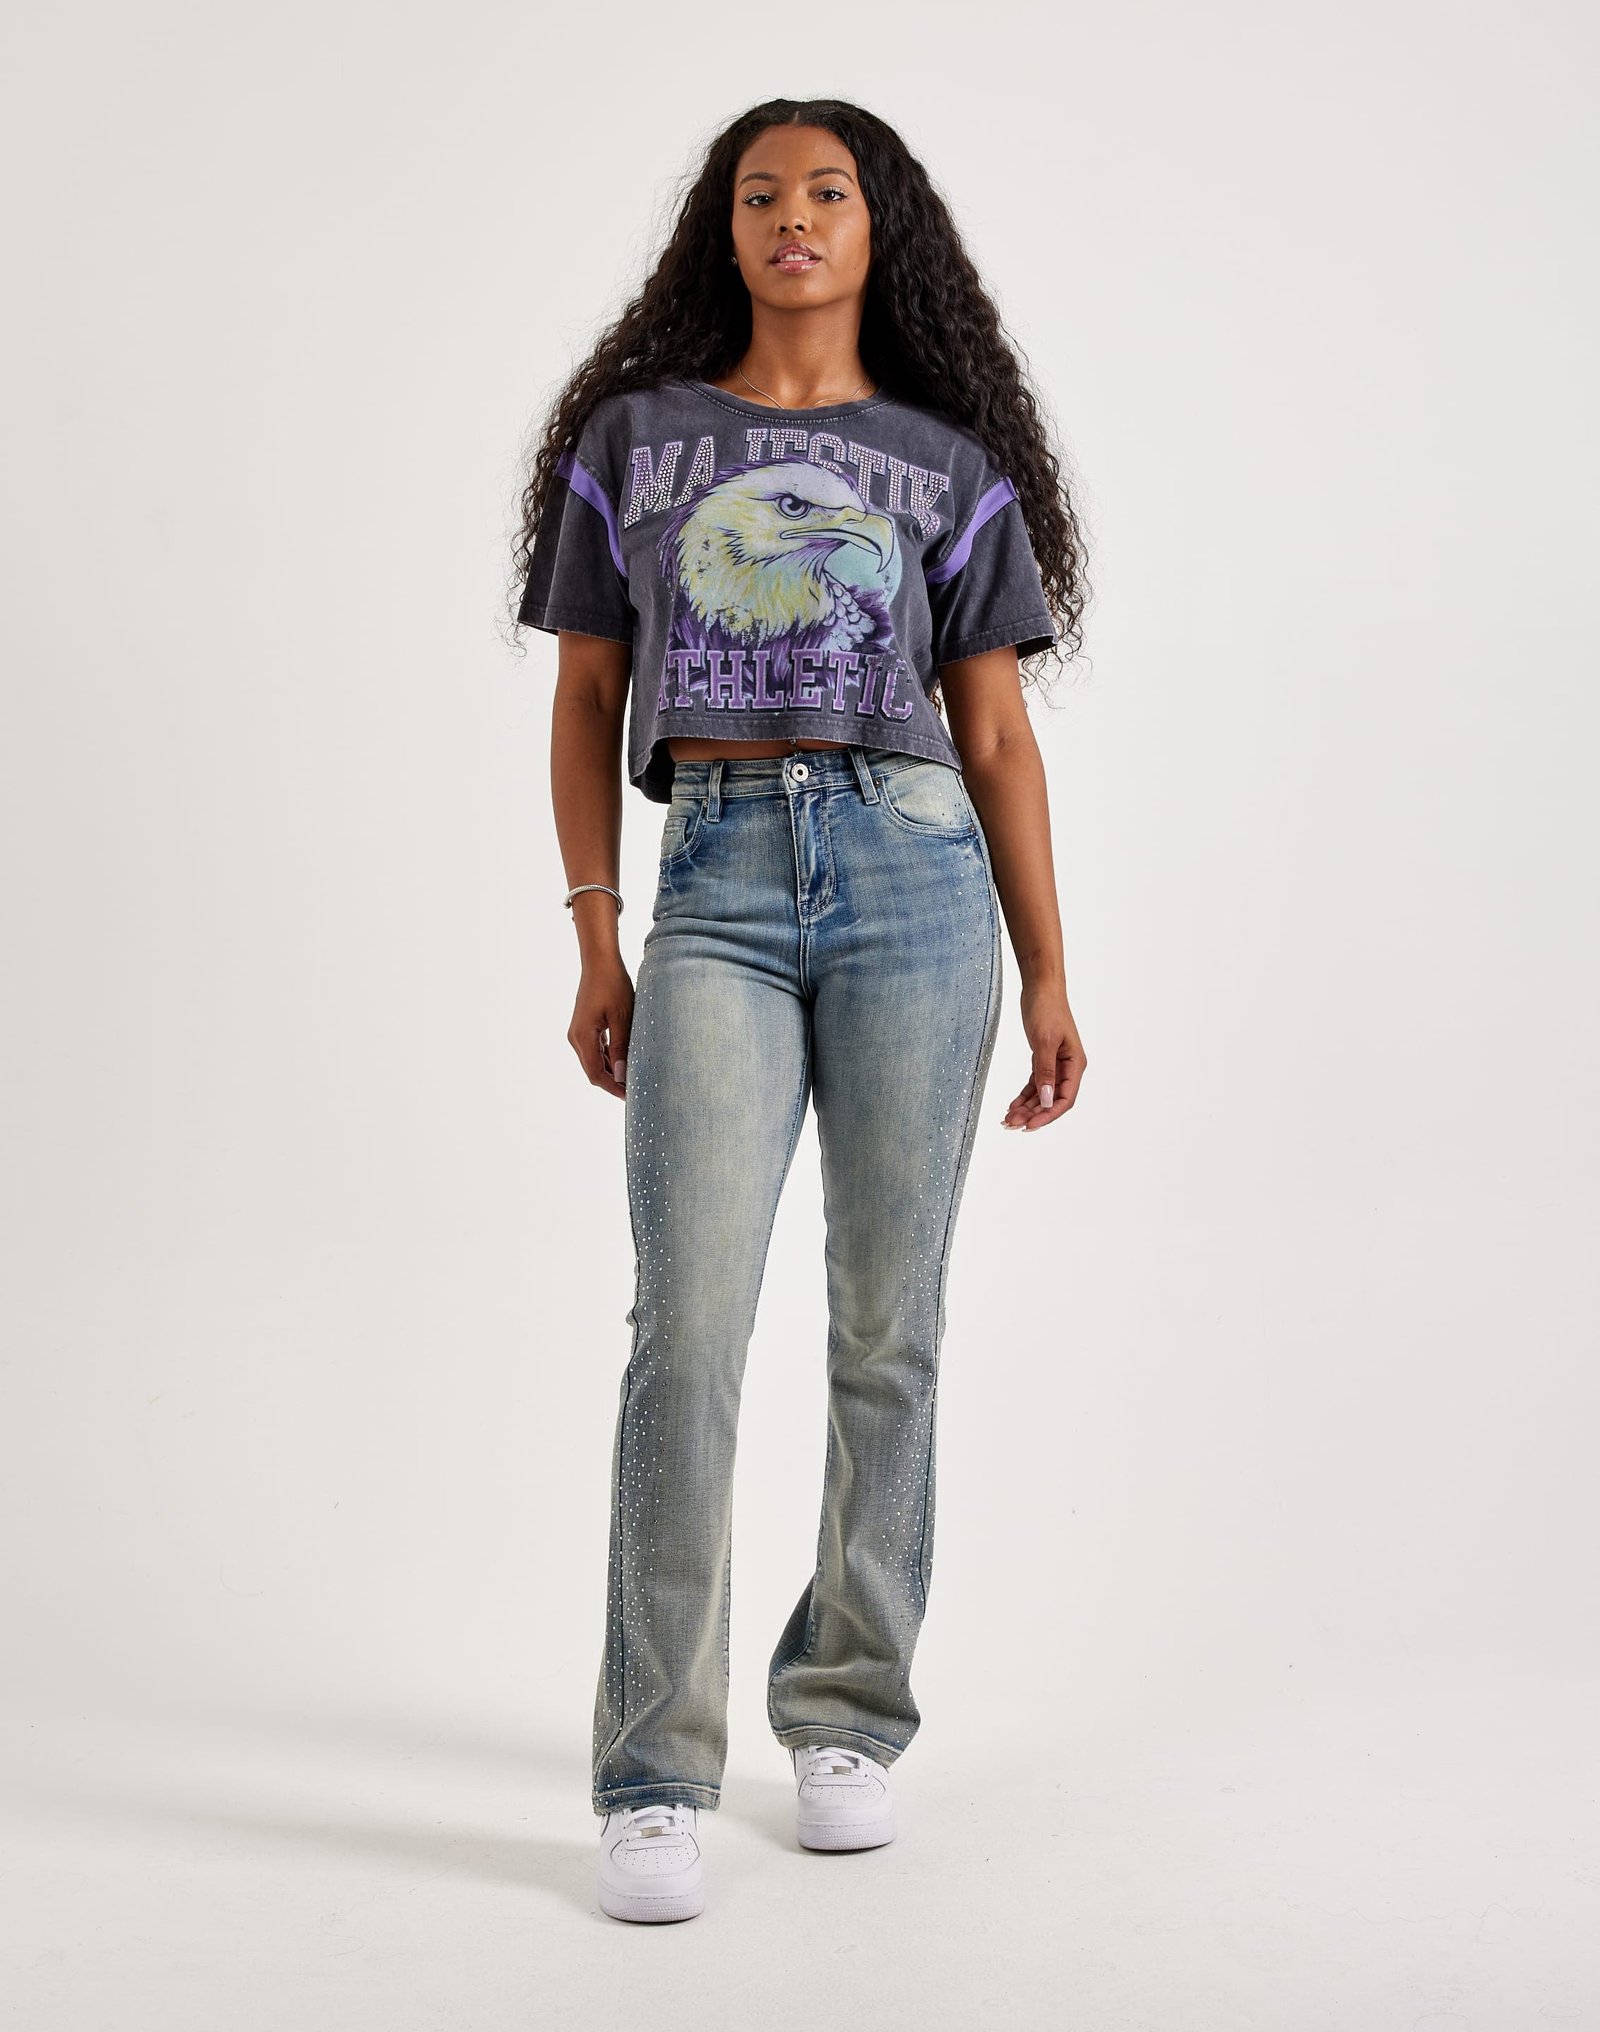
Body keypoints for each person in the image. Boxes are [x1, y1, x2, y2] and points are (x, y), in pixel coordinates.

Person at [508, 96, 1090, 1924]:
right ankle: (651, 1771)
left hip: (919, 877)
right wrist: (597, 932)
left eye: (828, 191)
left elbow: (993, 732)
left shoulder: (945, 457)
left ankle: (846, 1715)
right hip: (721, 882)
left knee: (887, 1327)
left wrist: (1050, 965)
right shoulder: (636, 440)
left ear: (876, 225)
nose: (794, 217)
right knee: (684, 1328)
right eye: (760, 193)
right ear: (726, 229)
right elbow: (588, 693)